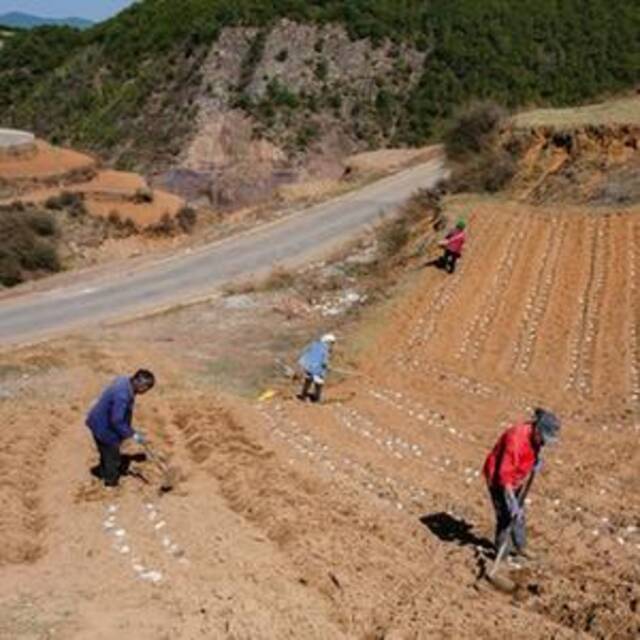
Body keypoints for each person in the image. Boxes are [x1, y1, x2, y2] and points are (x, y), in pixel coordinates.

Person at [483, 408, 560, 560]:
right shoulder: (516, 440)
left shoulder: (535, 437)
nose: (544, 443)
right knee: (506, 516)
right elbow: (504, 475)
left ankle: (520, 547)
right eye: (543, 439)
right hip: (499, 480)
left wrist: (535, 461)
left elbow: (533, 450)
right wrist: (511, 501)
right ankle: (501, 554)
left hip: (517, 478)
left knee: (520, 515)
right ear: (537, 431)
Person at [86, 369, 155, 487]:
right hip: (104, 427)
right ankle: (110, 483)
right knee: (113, 458)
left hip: (100, 420)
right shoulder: (122, 395)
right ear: (141, 385)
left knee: (106, 452)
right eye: (146, 389)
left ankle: (103, 471)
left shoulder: (124, 381)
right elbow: (117, 421)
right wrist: (132, 434)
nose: (145, 392)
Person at [297, 333, 336, 403]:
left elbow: (306, 353)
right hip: (317, 370)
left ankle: (303, 395)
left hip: (309, 367)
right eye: (331, 343)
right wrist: (327, 366)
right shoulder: (325, 349)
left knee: (308, 381)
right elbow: (324, 361)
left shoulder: (315, 345)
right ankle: (316, 398)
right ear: (328, 341)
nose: (332, 345)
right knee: (319, 384)